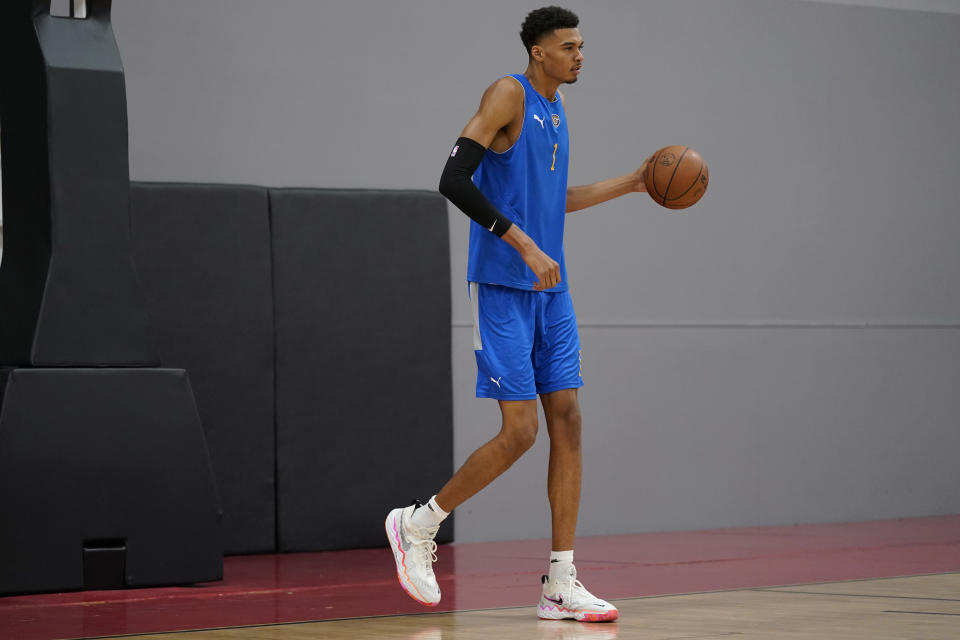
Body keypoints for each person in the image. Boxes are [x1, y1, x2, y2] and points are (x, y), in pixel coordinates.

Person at [386, 6, 648, 623]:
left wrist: (634, 182)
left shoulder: (558, 111)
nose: (580, 54)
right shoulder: (509, 93)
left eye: (582, 45)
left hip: (551, 290)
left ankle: (561, 581)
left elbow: (556, 201)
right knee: (521, 432)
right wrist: (523, 242)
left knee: (569, 419)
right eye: (569, 46)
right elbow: (453, 178)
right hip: (506, 284)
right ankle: (418, 524)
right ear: (539, 53)